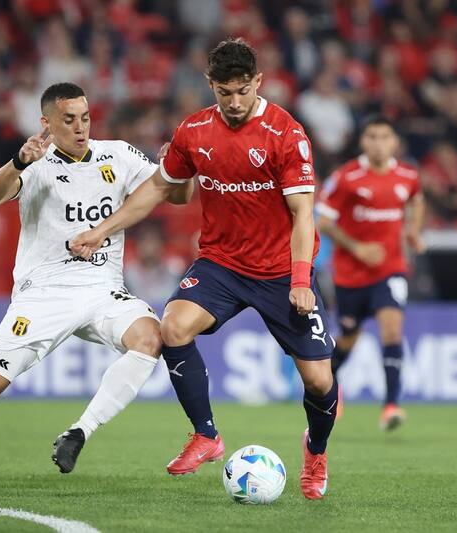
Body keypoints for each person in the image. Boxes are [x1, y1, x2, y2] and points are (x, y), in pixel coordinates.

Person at [71, 39, 337, 500]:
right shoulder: (194, 132)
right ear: (210, 85)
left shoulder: (286, 134)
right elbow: (158, 188)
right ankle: (207, 435)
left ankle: (315, 449)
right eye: (224, 93)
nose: (234, 103)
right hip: (221, 263)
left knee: (318, 380)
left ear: (258, 82)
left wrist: (299, 280)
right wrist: (102, 230)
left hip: (279, 269)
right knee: (172, 326)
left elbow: (303, 215)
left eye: (242, 91)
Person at [0, 82, 172, 492]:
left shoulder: (119, 153)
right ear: (46, 123)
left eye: (85, 117)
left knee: (150, 338)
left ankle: (78, 432)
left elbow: (173, 193)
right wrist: (18, 163)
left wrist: (173, 168)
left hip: (102, 288)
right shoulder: (36, 163)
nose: (80, 127)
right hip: (44, 293)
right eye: (68, 120)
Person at [315, 115, 425, 431]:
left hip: (390, 270)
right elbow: (323, 222)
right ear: (364, 141)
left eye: (385, 136)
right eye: (373, 136)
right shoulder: (347, 177)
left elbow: (417, 200)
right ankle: (331, 383)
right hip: (351, 274)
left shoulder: (407, 175)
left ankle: (391, 405)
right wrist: (357, 248)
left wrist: (413, 232)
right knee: (348, 338)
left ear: (394, 142)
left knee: (392, 330)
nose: (379, 142)